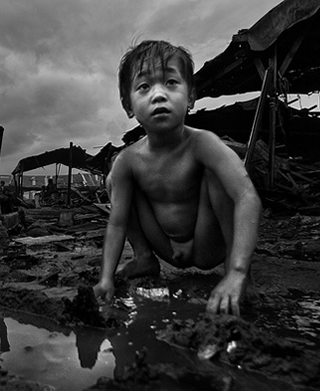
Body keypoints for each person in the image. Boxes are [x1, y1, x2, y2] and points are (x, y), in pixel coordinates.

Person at [93, 40, 262, 316]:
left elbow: (247, 197)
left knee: (218, 177)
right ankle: (144, 258)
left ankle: (238, 274)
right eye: (144, 86)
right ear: (128, 105)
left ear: (191, 97)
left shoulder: (203, 143)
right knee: (116, 179)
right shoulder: (129, 160)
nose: (158, 95)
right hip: (167, 246)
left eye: (171, 82)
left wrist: (239, 270)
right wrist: (106, 278)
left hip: (208, 245)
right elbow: (117, 222)